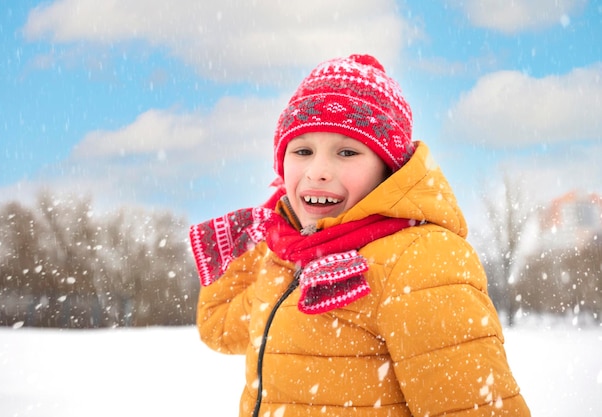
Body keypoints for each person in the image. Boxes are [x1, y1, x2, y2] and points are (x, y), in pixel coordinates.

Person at [190, 54, 530, 416]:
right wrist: (274, 227)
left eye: (347, 151)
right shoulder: (290, 258)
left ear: (388, 169)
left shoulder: (420, 260)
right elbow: (218, 325)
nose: (317, 171)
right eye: (302, 150)